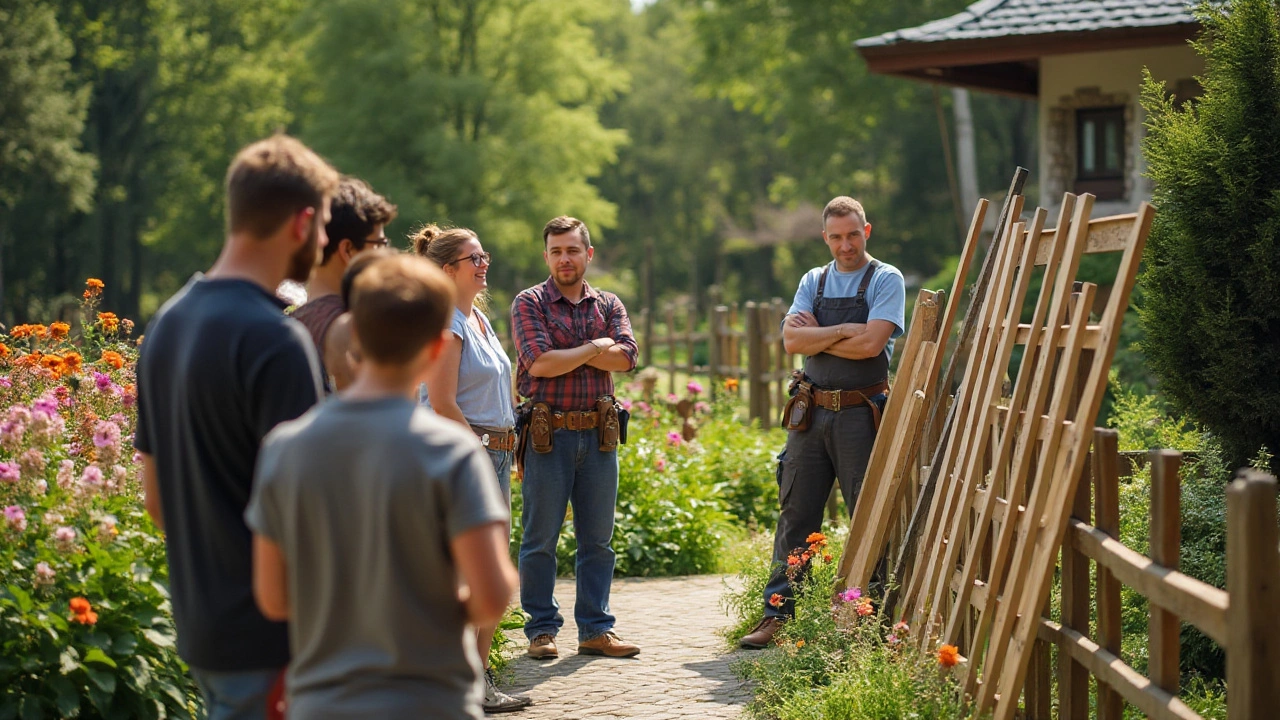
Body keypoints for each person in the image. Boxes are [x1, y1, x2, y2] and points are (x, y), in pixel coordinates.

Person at [245, 253, 518, 720]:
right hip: (431, 696)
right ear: (435, 350)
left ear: (354, 339)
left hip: (322, 698)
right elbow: (492, 594)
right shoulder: (453, 452)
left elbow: (272, 596)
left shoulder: (284, 449)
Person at [135, 134, 339, 717]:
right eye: (324, 224)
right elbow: (307, 513)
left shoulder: (168, 322)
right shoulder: (276, 340)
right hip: (279, 641)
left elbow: (156, 501)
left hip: (204, 630)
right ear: (302, 222)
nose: (325, 240)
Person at [738, 196, 906, 649]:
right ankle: (779, 615)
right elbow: (792, 340)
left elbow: (873, 345)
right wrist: (843, 331)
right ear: (825, 237)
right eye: (836, 236)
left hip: (860, 414)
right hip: (809, 413)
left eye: (853, 234)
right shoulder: (813, 279)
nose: (845, 244)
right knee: (796, 515)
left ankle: (872, 618)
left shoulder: (886, 278)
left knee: (867, 515)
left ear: (866, 231)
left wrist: (821, 337)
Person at [510, 216, 640, 659]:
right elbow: (539, 363)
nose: (564, 258)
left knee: (598, 541)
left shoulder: (608, 303)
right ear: (546, 256)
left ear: (589, 254)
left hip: (601, 438)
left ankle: (595, 630)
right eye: (556, 251)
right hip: (548, 437)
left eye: (572, 250)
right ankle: (541, 631)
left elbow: (627, 359)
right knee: (539, 539)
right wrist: (596, 348)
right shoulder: (529, 303)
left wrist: (581, 354)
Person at [414, 224, 530, 713]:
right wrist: (477, 458)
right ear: (447, 270)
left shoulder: (476, 318)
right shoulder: (447, 321)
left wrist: (511, 445)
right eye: (473, 258)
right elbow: (441, 404)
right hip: (467, 455)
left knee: (489, 575)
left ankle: (474, 681)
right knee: (470, 573)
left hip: (496, 453)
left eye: (484, 255)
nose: (484, 264)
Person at [291, 177, 396, 390]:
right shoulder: (356, 329)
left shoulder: (289, 324)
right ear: (348, 250)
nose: (385, 254)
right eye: (380, 243)